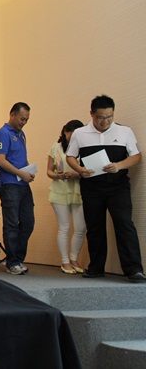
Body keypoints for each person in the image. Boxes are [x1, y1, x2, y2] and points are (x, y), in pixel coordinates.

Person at [66, 95, 145, 282]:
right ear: (92, 114)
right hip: (91, 187)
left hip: (118, 186)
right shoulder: (80, 133)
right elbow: (70, 156)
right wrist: (80, 170)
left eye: (109, 117)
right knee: (95, 227)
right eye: (100, 117)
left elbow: (136, 156)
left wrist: (119, 165)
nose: (105, 121)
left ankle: (134, 269)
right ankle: (96, 267)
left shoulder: (124, 131)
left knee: (124, 224)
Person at [0, 102, 35, 275]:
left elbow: (20, 158)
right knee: (11, 223)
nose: (23, 123)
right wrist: (20, 173)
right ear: (12, 115)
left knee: (28, 222)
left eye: (26, 120)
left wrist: (28, 172)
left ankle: (16, 258)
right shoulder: (3, 133)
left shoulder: (21, 134)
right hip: (10, 184)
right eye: (21, 119)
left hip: (23, 183)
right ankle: (12, 262)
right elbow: (1, 161)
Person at [47, 120, 86, 274]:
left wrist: (76, 174)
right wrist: (57, 175)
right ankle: (65, 261)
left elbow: (89, 170)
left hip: (79, 189)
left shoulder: (84, 148)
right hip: (60, 189)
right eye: (71, 133)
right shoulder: (56, 147)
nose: (74, 137)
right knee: (65, 227)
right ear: (65, 132)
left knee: (81, 228)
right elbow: (49, 171)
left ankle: (74, 259)